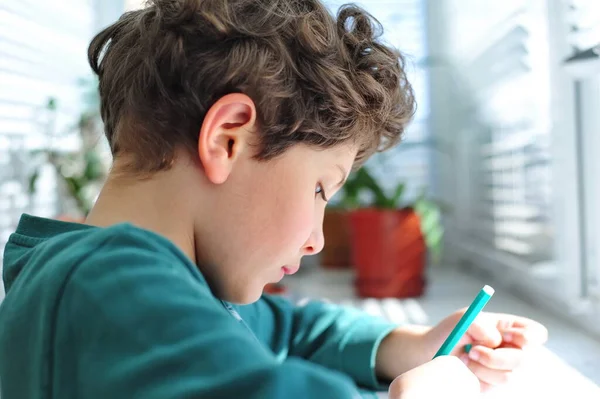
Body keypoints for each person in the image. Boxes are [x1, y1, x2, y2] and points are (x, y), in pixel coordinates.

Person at [0, 0, 548, 398]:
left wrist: (414, 344)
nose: (316, 240)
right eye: (319, 189)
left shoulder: (143, 284)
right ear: (227, 138)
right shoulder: (110, 288)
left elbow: (289, 328)